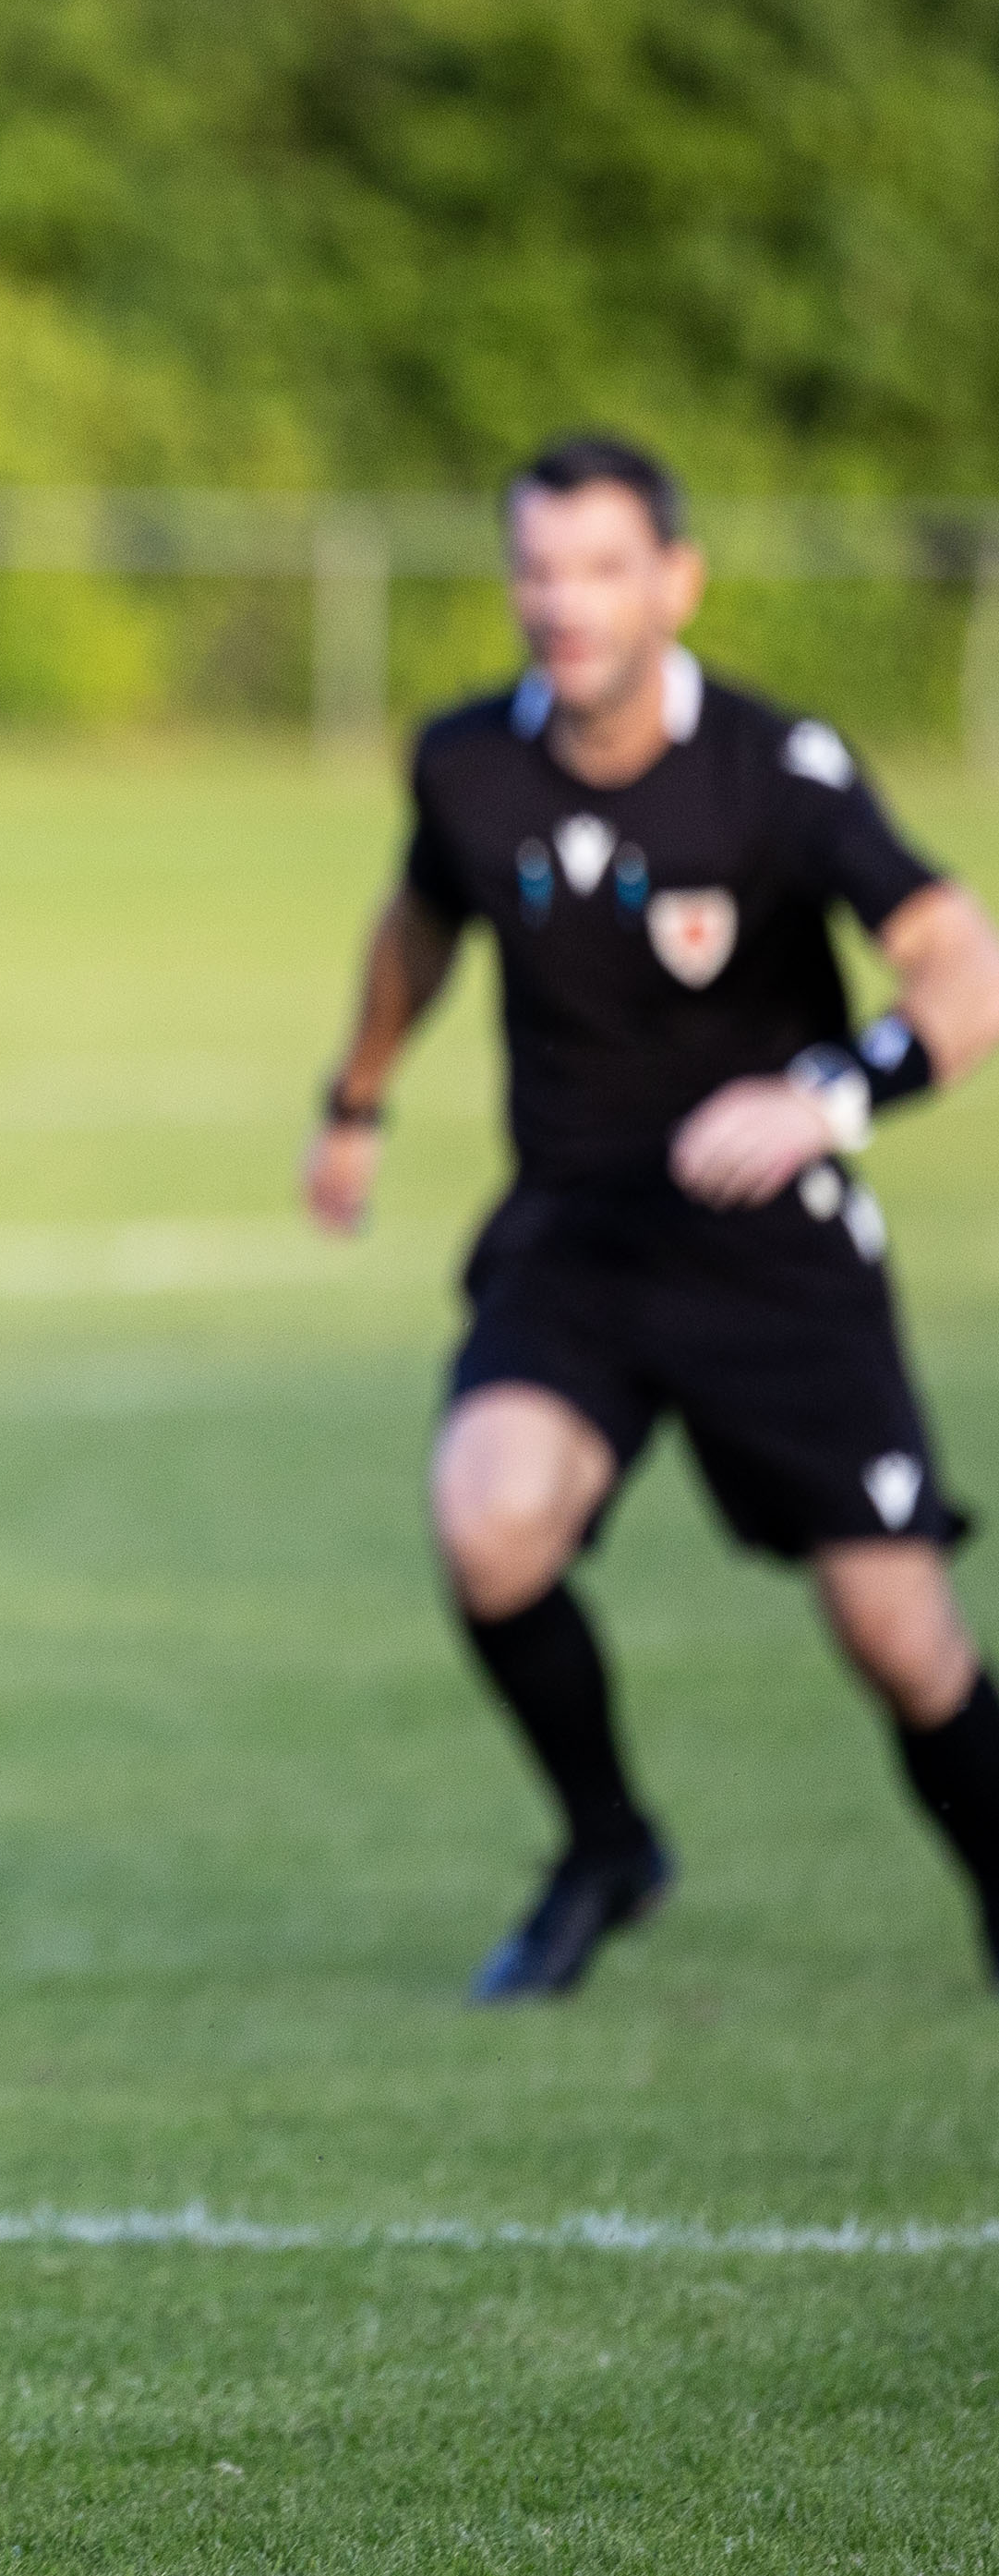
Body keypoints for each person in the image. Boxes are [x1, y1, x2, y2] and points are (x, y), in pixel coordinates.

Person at [306, 433, 999, 2001]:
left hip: (777, 1252)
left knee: (897, 1635)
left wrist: (826, 1096)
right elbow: (420, 924)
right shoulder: (469, 761)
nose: (567, 602)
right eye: (540, 568)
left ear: (675, 584)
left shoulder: (776, 768)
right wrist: (354, 1103)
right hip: (577, 1237)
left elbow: (964, 966)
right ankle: (608, 1846)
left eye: (605, 568)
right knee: (487, 1525)